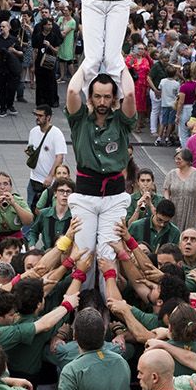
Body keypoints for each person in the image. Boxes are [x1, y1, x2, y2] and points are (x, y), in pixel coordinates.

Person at [64, 67, 136, 271]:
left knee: (109, 252)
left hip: (114, 195)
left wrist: (119, 66)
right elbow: (71, 92)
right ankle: (80, 295)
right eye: (97, 96)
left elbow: (130, 94)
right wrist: (88, 65)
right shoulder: (79, 120)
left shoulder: (121, 122)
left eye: (107, 97)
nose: (102, 102)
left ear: (114, 98)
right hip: (86, 193)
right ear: (90, 97)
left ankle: (109, 298)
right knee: (83, 251)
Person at [25, 105, 67, 208]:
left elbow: (59, 157)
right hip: (34, 179)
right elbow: (32, 149)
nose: (37, 118)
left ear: (48, 117)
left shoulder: (56, 134)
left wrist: (50, 176)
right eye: (36, 115)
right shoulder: (33, 131)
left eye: (40, 115)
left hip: (49, 183)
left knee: (47, 211)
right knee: (30, 209)